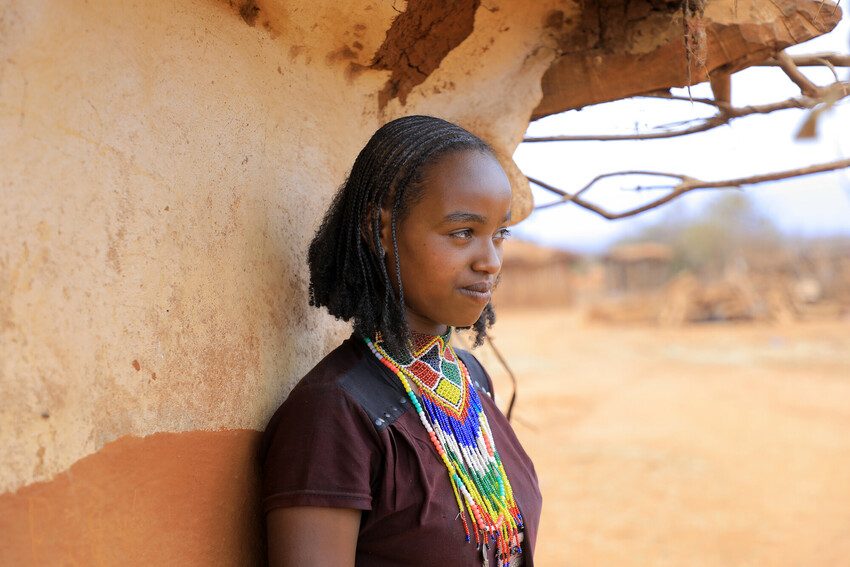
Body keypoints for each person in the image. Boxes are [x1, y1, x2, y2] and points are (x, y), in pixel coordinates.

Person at [260, 115, 542, 567]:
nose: (489, 261)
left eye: (499, 234)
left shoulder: (470, 378)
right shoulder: (333, 413)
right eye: (463, 233)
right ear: (379, 233)